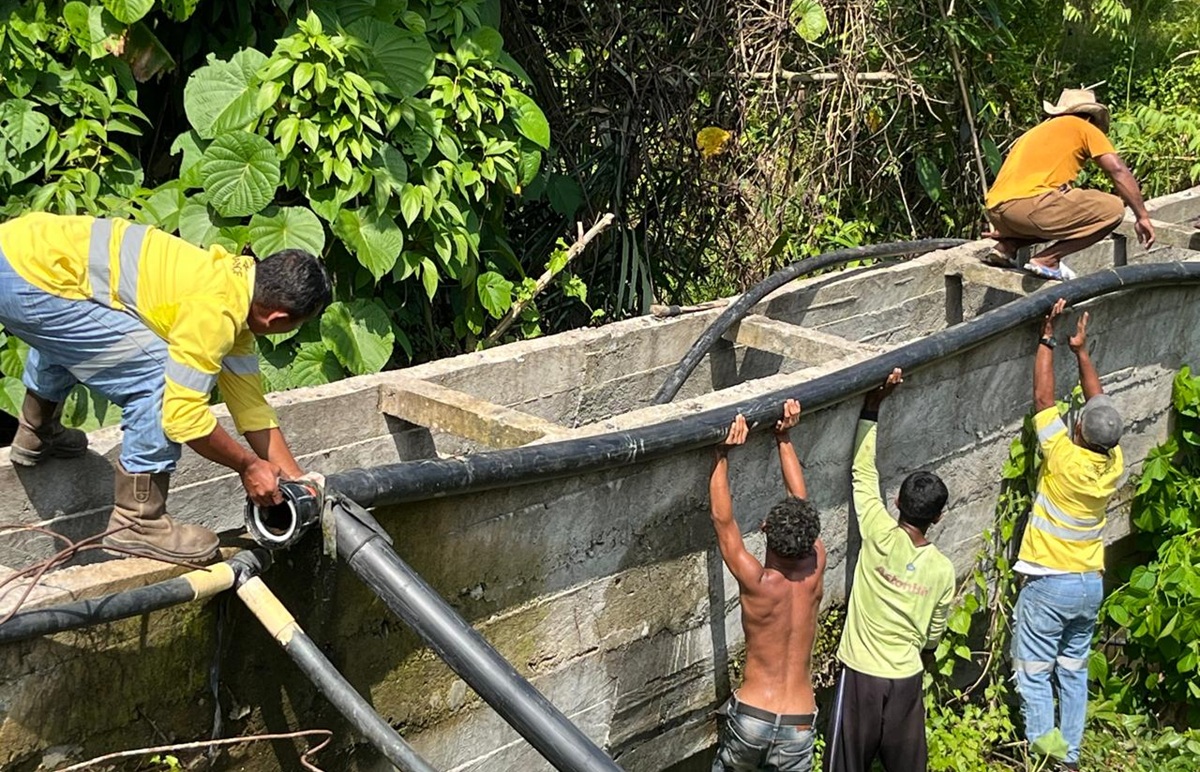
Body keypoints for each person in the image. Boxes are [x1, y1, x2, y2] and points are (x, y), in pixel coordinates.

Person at [0, 213, 332, 562]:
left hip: (23, 251)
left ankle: (36, 431)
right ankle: (138, 522)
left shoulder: (236, 288)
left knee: (81, 332)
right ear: (278, 319)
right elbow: (183, 417)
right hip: (27, 279)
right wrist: (248, 466)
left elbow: (251, 408)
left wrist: (300, 479)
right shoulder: (214, 312)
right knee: (159, 374)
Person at [1011, 298, 1123, 770]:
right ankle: (1070, 758)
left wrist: (1046, 338)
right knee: (1073, 672)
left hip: (1050, 584)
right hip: (1089, 585)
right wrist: (1081, 353)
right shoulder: (1111, 463)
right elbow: (1097, 408)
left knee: (1034, 672)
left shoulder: (1063, 457)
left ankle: (1045, 756)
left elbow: (1043, 401)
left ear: (1077, 432)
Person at [825, 368, 955, 772]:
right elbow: (934, 633)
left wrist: (871, 407)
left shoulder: (879, 533)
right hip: (905, 680)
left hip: (861, 675)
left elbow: (863, 475)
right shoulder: (942, 570)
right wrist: (925, 649)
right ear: (937, 518)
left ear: (897, 502)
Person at [709, 399, 826, 772]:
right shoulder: (816, 567)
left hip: (752, 719)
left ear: (765, 533)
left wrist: (721, 454)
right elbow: (801, 501)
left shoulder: (757, 582)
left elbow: (724, 524)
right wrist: (784, 438)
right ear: (810, 538)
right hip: (799, 722)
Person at [982, 88, 1156, 280]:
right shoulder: (1083, 126)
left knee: (1068, 213)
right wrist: (1142, 217)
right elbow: (1117, 170)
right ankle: (1048, 259)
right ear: (1091, 118)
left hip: (996, 211)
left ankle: (1007, 246)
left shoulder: (1034, 132)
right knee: (1113, 209)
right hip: (1031, 208)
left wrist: (1010, 223)